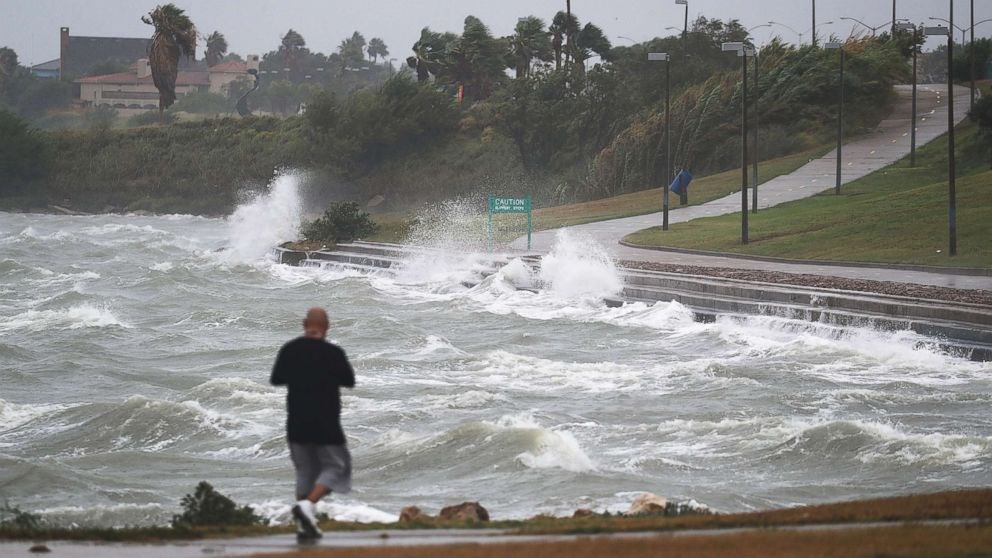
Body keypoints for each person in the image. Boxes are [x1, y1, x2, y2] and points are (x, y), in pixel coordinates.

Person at [271, 307, 356, 541]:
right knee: (337, 467)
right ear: (327, 326)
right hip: (326, 422)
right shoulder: (333, 353)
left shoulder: (290, 349)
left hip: (297, 421)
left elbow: (277, 379)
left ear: (304, 324)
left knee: (304, 472)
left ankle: (304, 526)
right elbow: (349, 381)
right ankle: (307, 505)